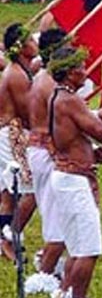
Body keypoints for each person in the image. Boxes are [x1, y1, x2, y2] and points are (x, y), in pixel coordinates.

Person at [46, 46, 102, 298]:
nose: (86, 71)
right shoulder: (69, 100)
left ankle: (64, 297)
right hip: (73, 180)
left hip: (68, 175)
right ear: (70, 73)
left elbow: (73, 136)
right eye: (82, 68)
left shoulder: (60, 96)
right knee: (89, 248)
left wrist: (90, 152)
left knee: (77, 245)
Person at [24, 29, 67, 295]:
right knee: (58, 215)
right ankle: (44, 272)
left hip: (39, 150)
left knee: (55, 210)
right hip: (46, 151)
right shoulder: (47, 82)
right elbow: (62, 121)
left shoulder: (43, 77)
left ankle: (50, 264)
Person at [0, 24, 38, 261]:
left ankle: (4, 241)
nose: (35, 43)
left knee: (8, 194)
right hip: (12, 134)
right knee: (31, 190)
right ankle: (9, 236)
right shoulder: (16, 75)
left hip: (11, 133)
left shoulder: (20, 70)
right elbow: (29, 114)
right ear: (21, 47)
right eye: (31, 41)